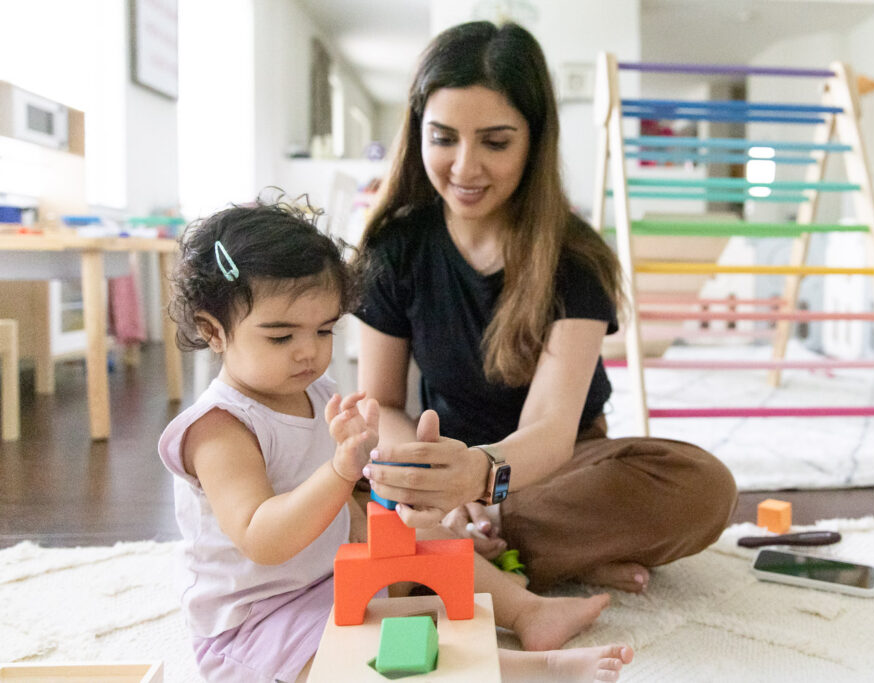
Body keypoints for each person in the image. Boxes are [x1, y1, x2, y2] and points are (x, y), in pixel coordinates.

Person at [158, 198, 634, 683]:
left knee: (428, 538)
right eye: (281, 337)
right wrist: (341, 471)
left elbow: (356, 494)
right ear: (212, 331)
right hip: (260, 620)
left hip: (333, 575)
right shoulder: (219, 429)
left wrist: (399, 500)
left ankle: (529, 612)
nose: (308, 351)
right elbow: (263, 538)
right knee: (375, 660)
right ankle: (535, 670)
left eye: (323, 329)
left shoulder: (316, 392)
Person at [355, 20, 738, 595]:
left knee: (704, 486)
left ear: (534, 141)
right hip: (446, 460)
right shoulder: (395, 248)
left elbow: (551, 430)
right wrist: (427, 480)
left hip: (560, 464)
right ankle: (549, 556)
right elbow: (381, 402)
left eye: (495, 141)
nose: (464, 168)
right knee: (325, 488)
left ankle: (473, 551)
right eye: (443, 138)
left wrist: (479, 488)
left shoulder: (574, 257)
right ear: (418, 133)